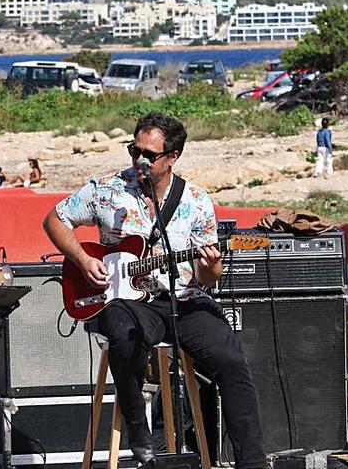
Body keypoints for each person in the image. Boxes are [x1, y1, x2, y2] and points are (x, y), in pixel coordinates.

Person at [42, 112, 266, 468]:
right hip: (128, 302)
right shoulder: (107, 189)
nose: (139, 160)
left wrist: (209, 265)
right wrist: (84, 259)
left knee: (231, 360)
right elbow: (55, 219)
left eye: (150, 154)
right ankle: (139, 432)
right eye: (135, 150)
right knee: (122, 331)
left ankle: (252, 462)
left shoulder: (195, 200)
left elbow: (209, 277)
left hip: (182, 299)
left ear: (173, 157)